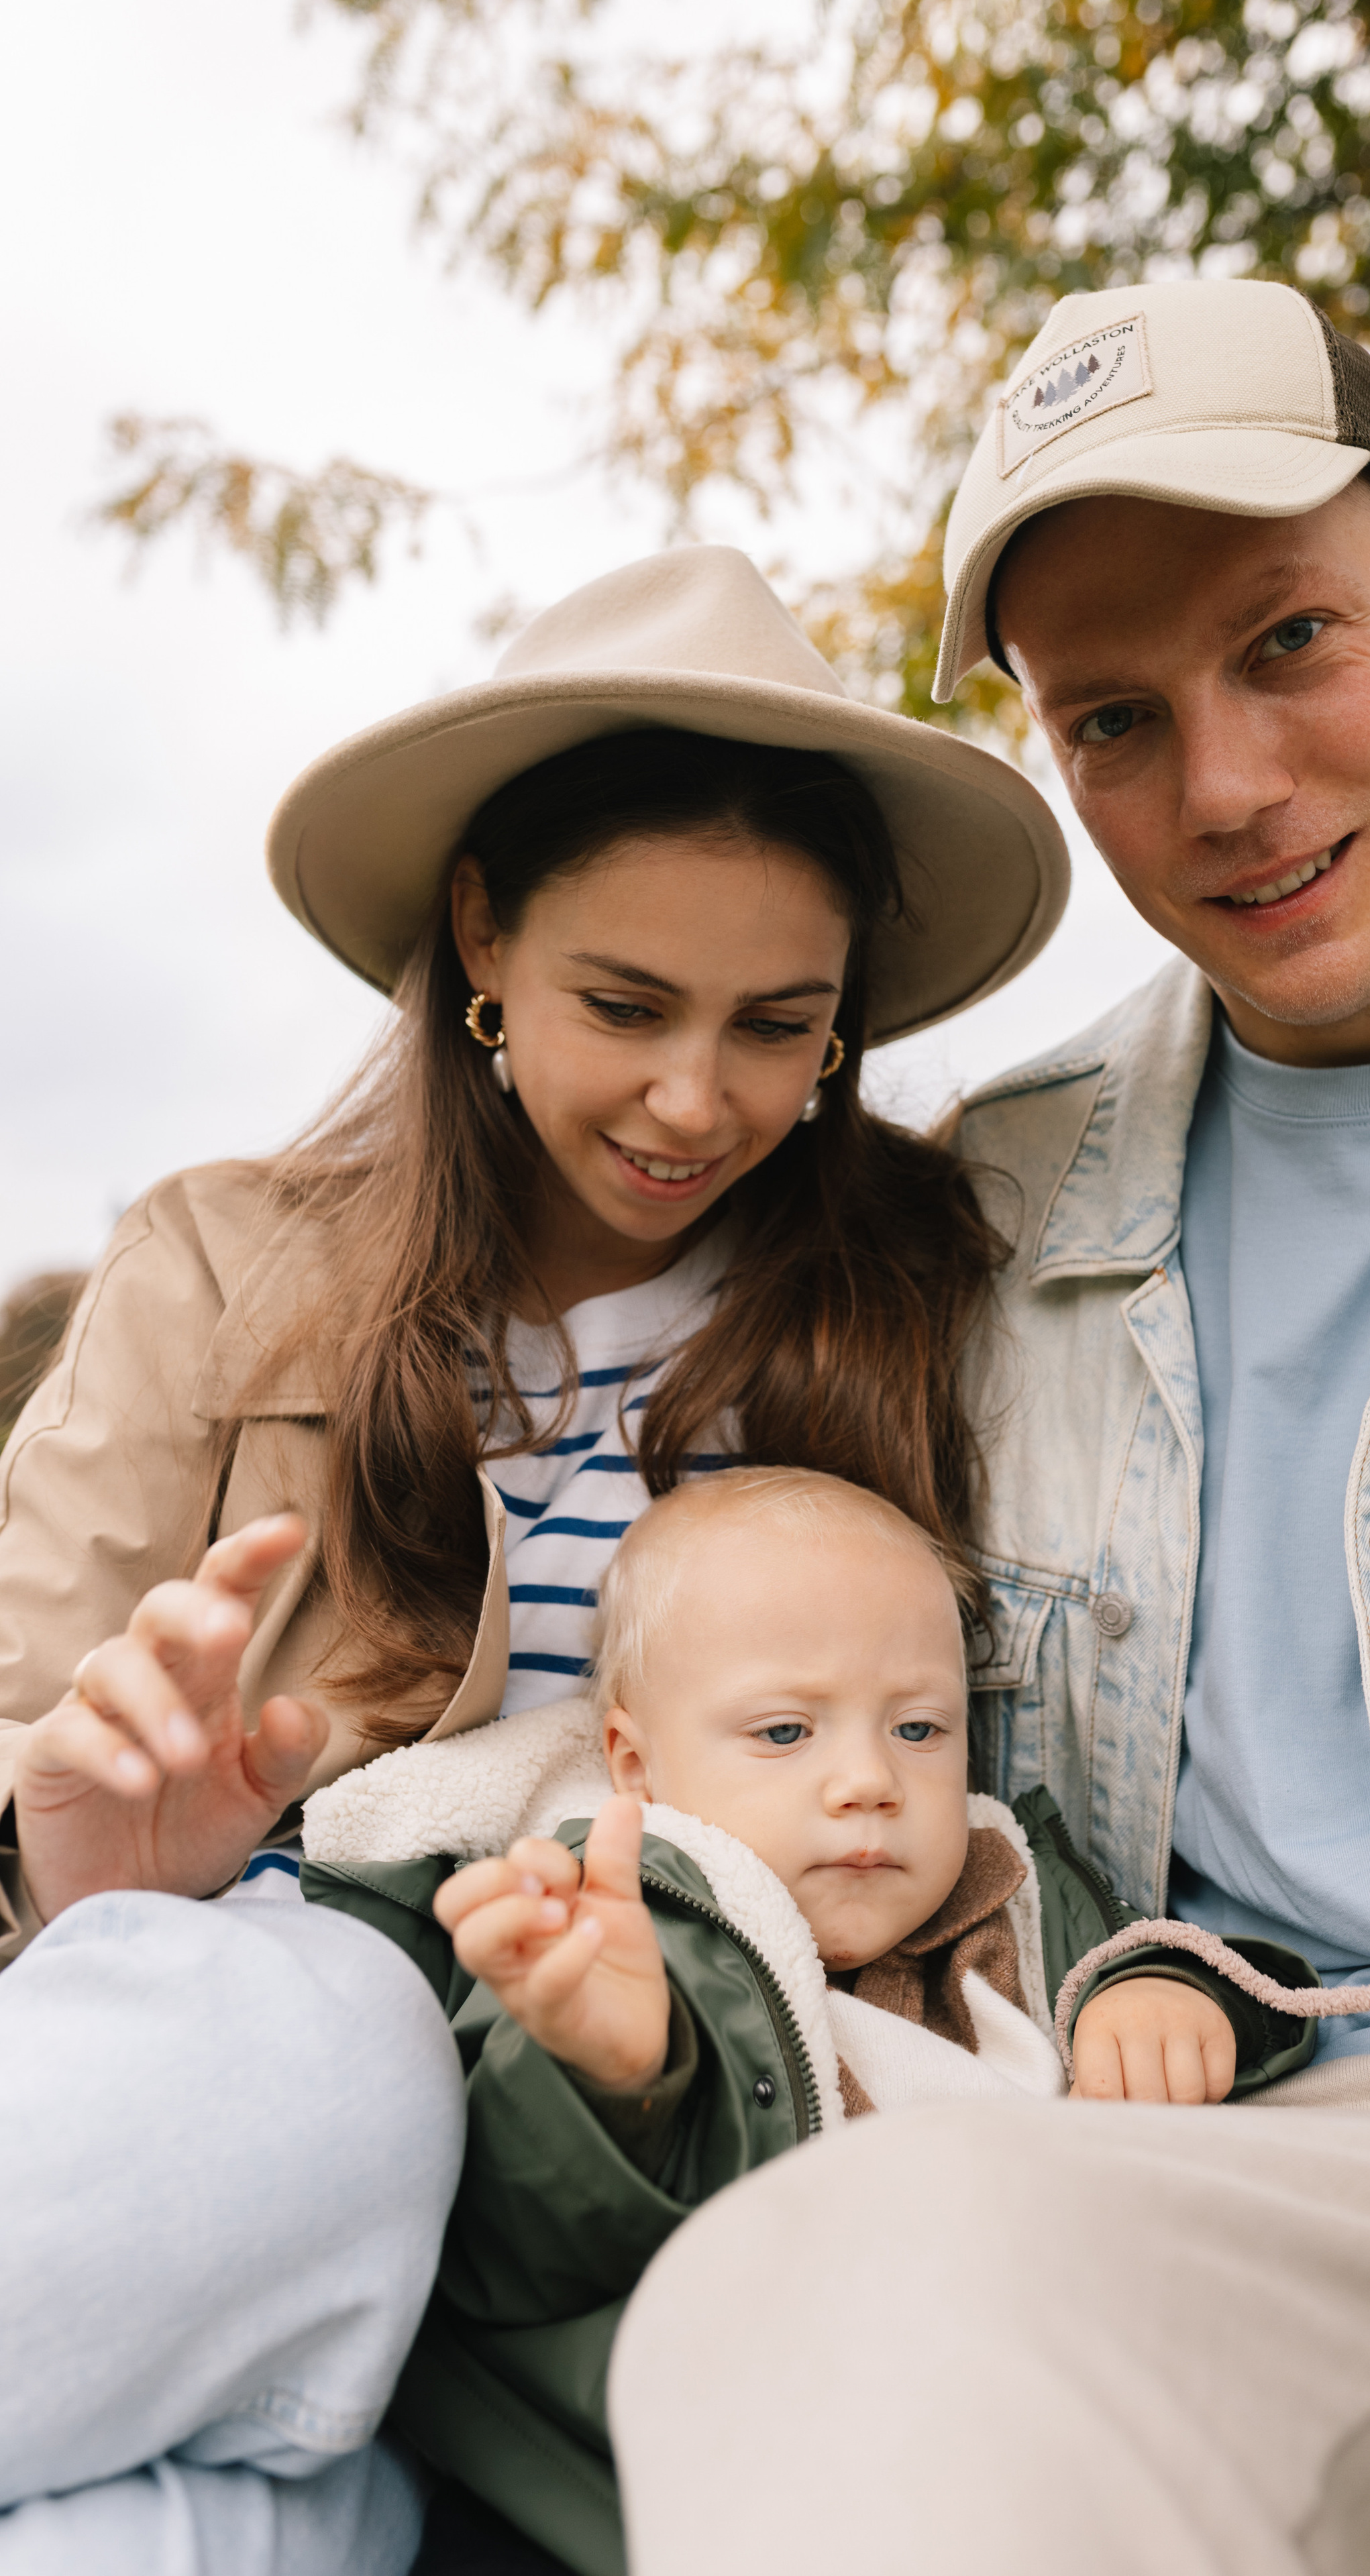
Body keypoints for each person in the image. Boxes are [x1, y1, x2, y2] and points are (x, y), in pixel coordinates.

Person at [601, 284, 1370, 2575]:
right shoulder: (984, 1211)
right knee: (801, 2282)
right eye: (1115, 718)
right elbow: (726, 1657)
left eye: (1293, 638)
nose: (1225, 787)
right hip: (1179, 2162)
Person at [0, 547, 1067, 2575]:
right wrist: (87, 1864)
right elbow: (30, 1750)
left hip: (710, 2094)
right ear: (482, 933)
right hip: (296, 2022)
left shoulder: (920, 1300)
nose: (698, 1101)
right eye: (624, 1006)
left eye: (783, 1028)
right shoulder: (214, 1268)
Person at [291, 1466, 1315, 2569]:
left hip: (1019, 2423)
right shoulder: (615, 1927)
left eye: (921, 1728)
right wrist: (609, 2070)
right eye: (785, 1733)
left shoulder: (1016, 1893)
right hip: (680, 2476)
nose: (869, 1780)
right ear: (636, 1765)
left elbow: (1230, 1979)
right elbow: (527, 2242)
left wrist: (1169, 1990)